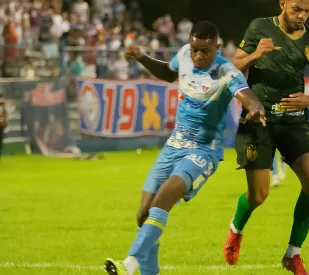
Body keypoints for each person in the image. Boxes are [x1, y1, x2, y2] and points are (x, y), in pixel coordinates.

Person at [104, 21, 266, 275]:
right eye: (195, 50)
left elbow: (246, 94)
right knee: (143, 214)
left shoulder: (226, 71)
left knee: (164, 199)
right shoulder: (183, 55)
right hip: (173, 145)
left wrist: (255, 108)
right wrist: (141, 57)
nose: (198, 56)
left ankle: (129, 262)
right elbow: (170, 73)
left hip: (203, 151)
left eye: (205, 51)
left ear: (217, 47)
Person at [223, 0, 309, 274]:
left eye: (307, 10)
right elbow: (233, 67)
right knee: (258, 195)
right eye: (296, 9)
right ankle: (236, 229)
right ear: (282, 3)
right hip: (259, 120)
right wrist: (255, 55)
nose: (302, 15)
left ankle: (293, 254)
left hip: (294, 121)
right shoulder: (259, 28)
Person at [0, 94, 7, 160]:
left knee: (1, 138)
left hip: (1, 125)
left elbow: (4, 117)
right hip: (2, 125)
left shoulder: (3, 108)